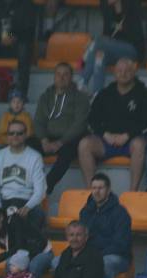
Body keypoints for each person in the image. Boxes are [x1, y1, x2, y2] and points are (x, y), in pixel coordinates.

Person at [78, 58, 147, 191]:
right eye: (119, 71)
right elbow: (91, 120)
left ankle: (132, 192)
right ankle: (92, 191)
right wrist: (105, 134)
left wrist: (127, 135)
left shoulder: (144, 94)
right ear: (114, 73)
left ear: (134, 72)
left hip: (131, 142)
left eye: (127, 71)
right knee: (84, 144)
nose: (123, 73)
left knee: (139, 145)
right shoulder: (104, 93)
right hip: (106, 141)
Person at [32, 62, 90, 195]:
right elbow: (39, 121)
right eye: (58, 74)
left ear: (71, 77)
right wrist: (44, 140)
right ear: (54, 77)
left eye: (66, 74)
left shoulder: (80, 98)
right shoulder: (45, 97)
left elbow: (80, 124)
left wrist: (61, 142)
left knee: (68, 152)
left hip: (69, 140)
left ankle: (46, 186)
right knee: (28, 146)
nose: (61, 77)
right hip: (48, 138)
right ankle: (29, 183)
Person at [78, 173, 132, 278]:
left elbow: (121, 244)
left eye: (100, 188)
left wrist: (96, 254)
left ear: (108, 190)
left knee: (105, 263)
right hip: (91, 254)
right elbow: (81, 238)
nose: (96, 191)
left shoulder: (120, 213)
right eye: (94, 188)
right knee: (58, 261)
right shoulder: (85, 212)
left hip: (117, 257)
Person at [0, 120, 46, 229]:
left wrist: (28, 207)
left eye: (19, 133)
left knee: (38, 215)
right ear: (7, 136)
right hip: (3, 202)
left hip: (25, 202)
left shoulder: (35, 157)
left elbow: (40, 190)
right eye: (11, 133)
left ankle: (27, 246)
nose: (15, 136)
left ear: (26, 135)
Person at [80, 0, 144, 95]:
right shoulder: (109, 11)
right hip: (113, 52)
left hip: (132, 50)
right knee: (99, 56)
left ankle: (83, 81)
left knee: (98, 42)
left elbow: (137, 36)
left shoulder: (132, 7)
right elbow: (107, 36)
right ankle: (97, 94)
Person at [0, 206, 53, 278]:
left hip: (41, 252)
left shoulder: (15, 221)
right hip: (23, 254)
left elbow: (19, 247)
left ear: (1, 217)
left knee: (33, 266)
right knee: (10, 263)